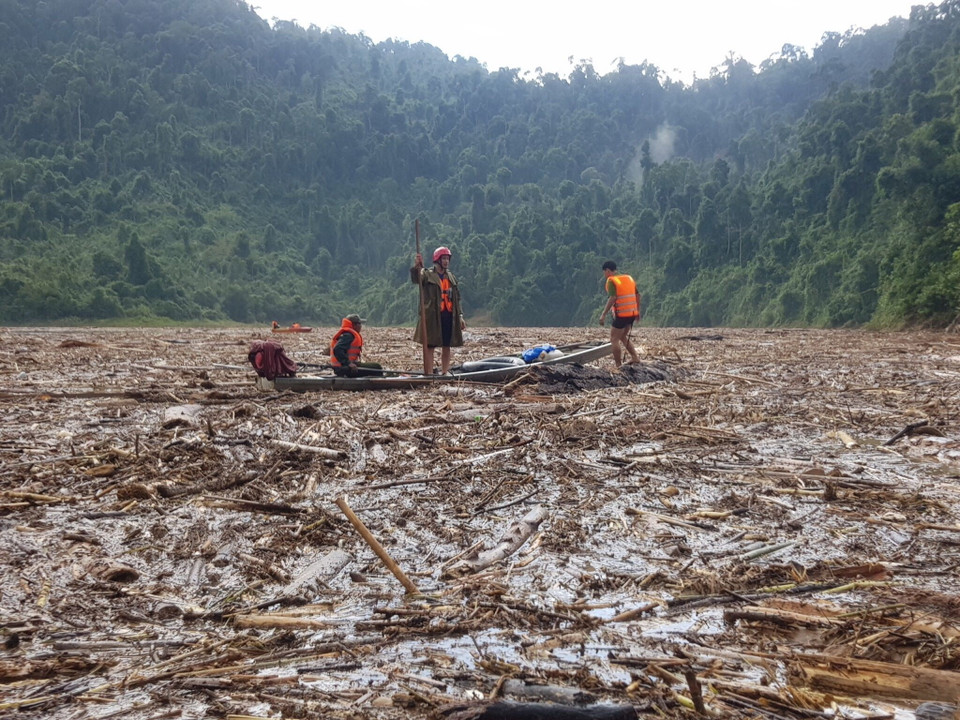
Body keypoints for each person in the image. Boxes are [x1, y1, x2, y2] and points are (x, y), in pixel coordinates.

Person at [411, 245, 466, 375]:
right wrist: (417, 266)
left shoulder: (451, 277)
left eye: (447, 259)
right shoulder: (427, 274)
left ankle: (445, 372)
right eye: (444, 259)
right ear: (438, 260)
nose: (446, 261)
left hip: (448, 314)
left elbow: (456, 299)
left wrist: (460, 316)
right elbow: (416, 279)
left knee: (446, 344)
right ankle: (429, 373)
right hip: (432, 316)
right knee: (430, 345)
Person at [598, 260, 642, 368]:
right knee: (622, 336)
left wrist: (603, 314)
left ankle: (618, 365)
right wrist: (637, 311)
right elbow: (638, 295)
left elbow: (613, 298)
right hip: (631, 314)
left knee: (614, 339)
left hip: (622, 314)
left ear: (608, 271)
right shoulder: (629, 279)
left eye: (604, 272)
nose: (604, 275)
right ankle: (635, 357)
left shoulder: (611, 281)